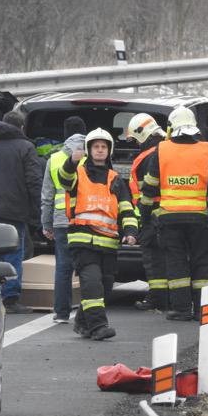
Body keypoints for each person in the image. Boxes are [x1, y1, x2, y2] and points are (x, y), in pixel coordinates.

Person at [138, 106, 208, 321]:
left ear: (171, 127)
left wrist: (144, 217)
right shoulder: (206, 151)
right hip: (199, 218)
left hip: (169, 219)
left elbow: (149, 188)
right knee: (202, 263)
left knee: (176, 263)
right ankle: (203, 310)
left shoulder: (163, 150)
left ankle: (180, 309)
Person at [58, 127, 138, 340]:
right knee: (92, 283)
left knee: (104, 288)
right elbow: (64, 179)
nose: (100, 150)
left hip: (108, 243)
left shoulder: (115, 179)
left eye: (103, 147)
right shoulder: (78, 173)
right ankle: (98, 327)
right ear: (89, 150)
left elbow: (126, 209)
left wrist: (130, 231)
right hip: (83, 241)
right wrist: (71, 162)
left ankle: (82, 323)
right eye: (96, 147)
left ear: (109, 151)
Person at [0, 110, 43, 313]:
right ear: (21, 127)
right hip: (13, 210)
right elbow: (34, 181)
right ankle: (10, 298)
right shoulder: (26, 147)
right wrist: (38, 213)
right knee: (12, 253)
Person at [41, 116, 87, 324]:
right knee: (89, 266)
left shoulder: (55, 158)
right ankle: (89, 312)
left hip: (61, 220)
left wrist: (46, 224)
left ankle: (61, 313)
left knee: (63, 268)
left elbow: (47, 196)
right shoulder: (94, 155)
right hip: (87, 219)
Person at [126, 113, 168, 311]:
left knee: (154, 260)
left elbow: (146, 193)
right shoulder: (166, 149)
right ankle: (171, 298)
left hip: (151, 216)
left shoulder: (147, 158)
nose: (135, 145)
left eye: (134, 140)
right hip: (170, 214)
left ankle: (157, 298)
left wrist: (141, 219)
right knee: (172, 259)